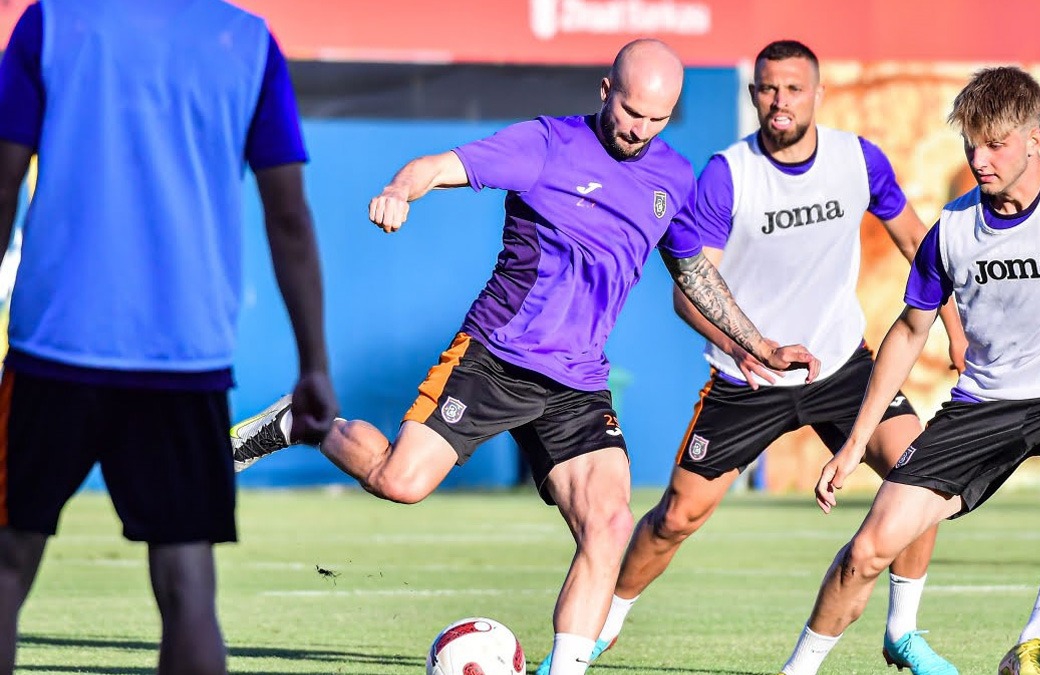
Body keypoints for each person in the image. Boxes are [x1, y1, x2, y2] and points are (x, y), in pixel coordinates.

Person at [230, 38, 818, 675]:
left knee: (609, 525)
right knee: (401, 483)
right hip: (495, 358)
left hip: (578, 383)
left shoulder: (674, 177)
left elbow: (693, 270)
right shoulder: (546, 144)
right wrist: (400, 190)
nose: (640, 130)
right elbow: (437, 166)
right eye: (631, 112)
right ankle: (306, 423)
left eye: (657, 118)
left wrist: (758, 343)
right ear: (606, 91)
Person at [777, 66, 1040, 675]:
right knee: (867, 552)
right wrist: (855, 444)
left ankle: (1032, 644)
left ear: (1035, 139)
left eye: (996, 144)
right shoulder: (951, 229)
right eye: (970, 144)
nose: (979, 160)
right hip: (983, 407)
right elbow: (909, 331)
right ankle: (799, 668)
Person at [588, 39, 966, 675]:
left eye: (793, 88)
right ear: (754, 94)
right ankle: (601, 627)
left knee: (920, 476)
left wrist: (953, 327)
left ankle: (902, 632)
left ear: (818, 94)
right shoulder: (727, 174)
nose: (780, 100)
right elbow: (688, 292)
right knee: (677, 517)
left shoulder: (857, 160)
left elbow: (918, 246)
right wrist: (741, 346)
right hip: (748, 378)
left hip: (841, 366)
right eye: (767, 88)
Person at [0, 1, 338, 672]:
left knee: (6, 564)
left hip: (57, 344)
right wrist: (314, 364)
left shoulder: (53, 22)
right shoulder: (246, 42)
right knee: (187, 585)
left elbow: (2, 183)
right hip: (183, 357)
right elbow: (289, 217)